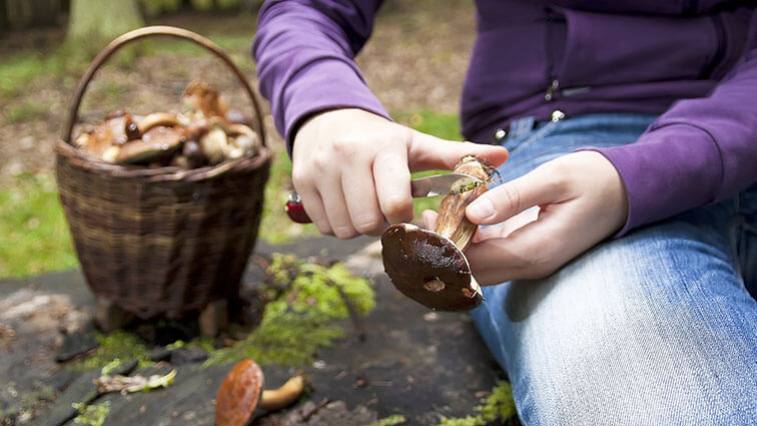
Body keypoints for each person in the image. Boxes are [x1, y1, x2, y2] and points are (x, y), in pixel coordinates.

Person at [253, 1, 757, 424]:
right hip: (574, 139)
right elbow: (304, 11)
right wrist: (324, 103)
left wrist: (652, 170)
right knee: (653, 378)